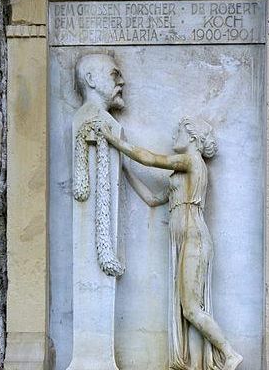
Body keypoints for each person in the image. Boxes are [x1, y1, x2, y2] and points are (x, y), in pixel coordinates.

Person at [101, 117, 242, 370]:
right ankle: (196, 364)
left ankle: (229, 353)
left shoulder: (191, 161)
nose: (175, 135)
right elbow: (152, 198)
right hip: (184, 240)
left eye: (180, 131)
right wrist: (125, 169)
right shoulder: (179, 176)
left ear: (193, 138)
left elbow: (150, 158)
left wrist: (115, 141)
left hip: (194, 238)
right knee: (188, 310)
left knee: (191, 309)